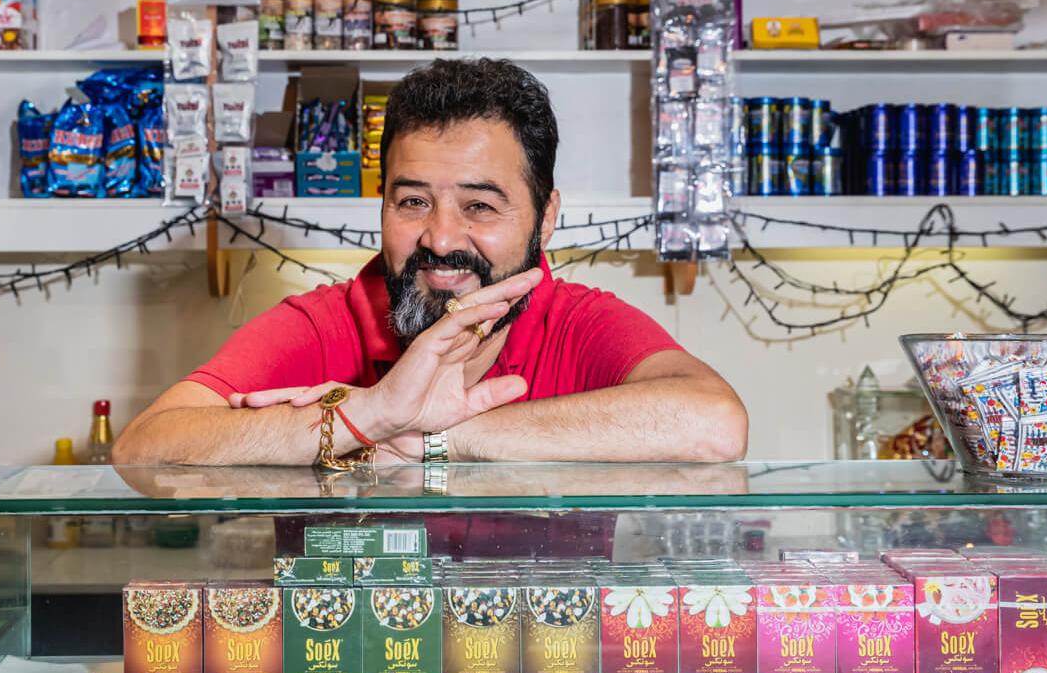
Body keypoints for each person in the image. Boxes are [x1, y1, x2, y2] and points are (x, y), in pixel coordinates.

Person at [115, 58, 747, 467]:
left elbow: (715, 423)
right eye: (413, 201)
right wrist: (370, 414)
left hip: (551, 668)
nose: (441, 238)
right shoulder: (321, 323)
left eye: (479, 205)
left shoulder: (577, 323)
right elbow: (145, 449)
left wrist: (437, 440)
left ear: (546, 217)